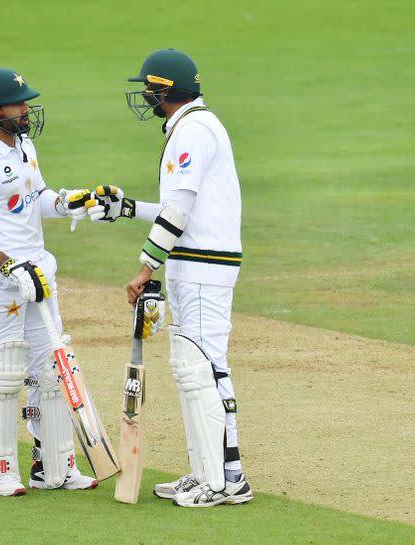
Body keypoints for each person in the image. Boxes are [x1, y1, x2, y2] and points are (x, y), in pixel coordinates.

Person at [84, 49, 253, 507]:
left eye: (149, 88)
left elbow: (178, 211)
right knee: (194, 369)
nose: (144, 96)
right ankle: (211, 473)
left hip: (202, 264)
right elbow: (179, 209)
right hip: (196, 260)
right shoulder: (193, 127)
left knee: (203, 368)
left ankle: (222, 481)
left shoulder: (192, 132)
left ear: (165, 91)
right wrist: (128, 209)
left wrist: (145, 267)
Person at [0, 67, 95, 497]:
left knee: (50, 369)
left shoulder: (25, 146)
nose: (28, 110)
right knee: (2, 375)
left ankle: (55, 467)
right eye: (20, 104)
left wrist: (71, 201)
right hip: (0, 285)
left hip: (40, 278)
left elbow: (36, 199)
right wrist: (10, 265)